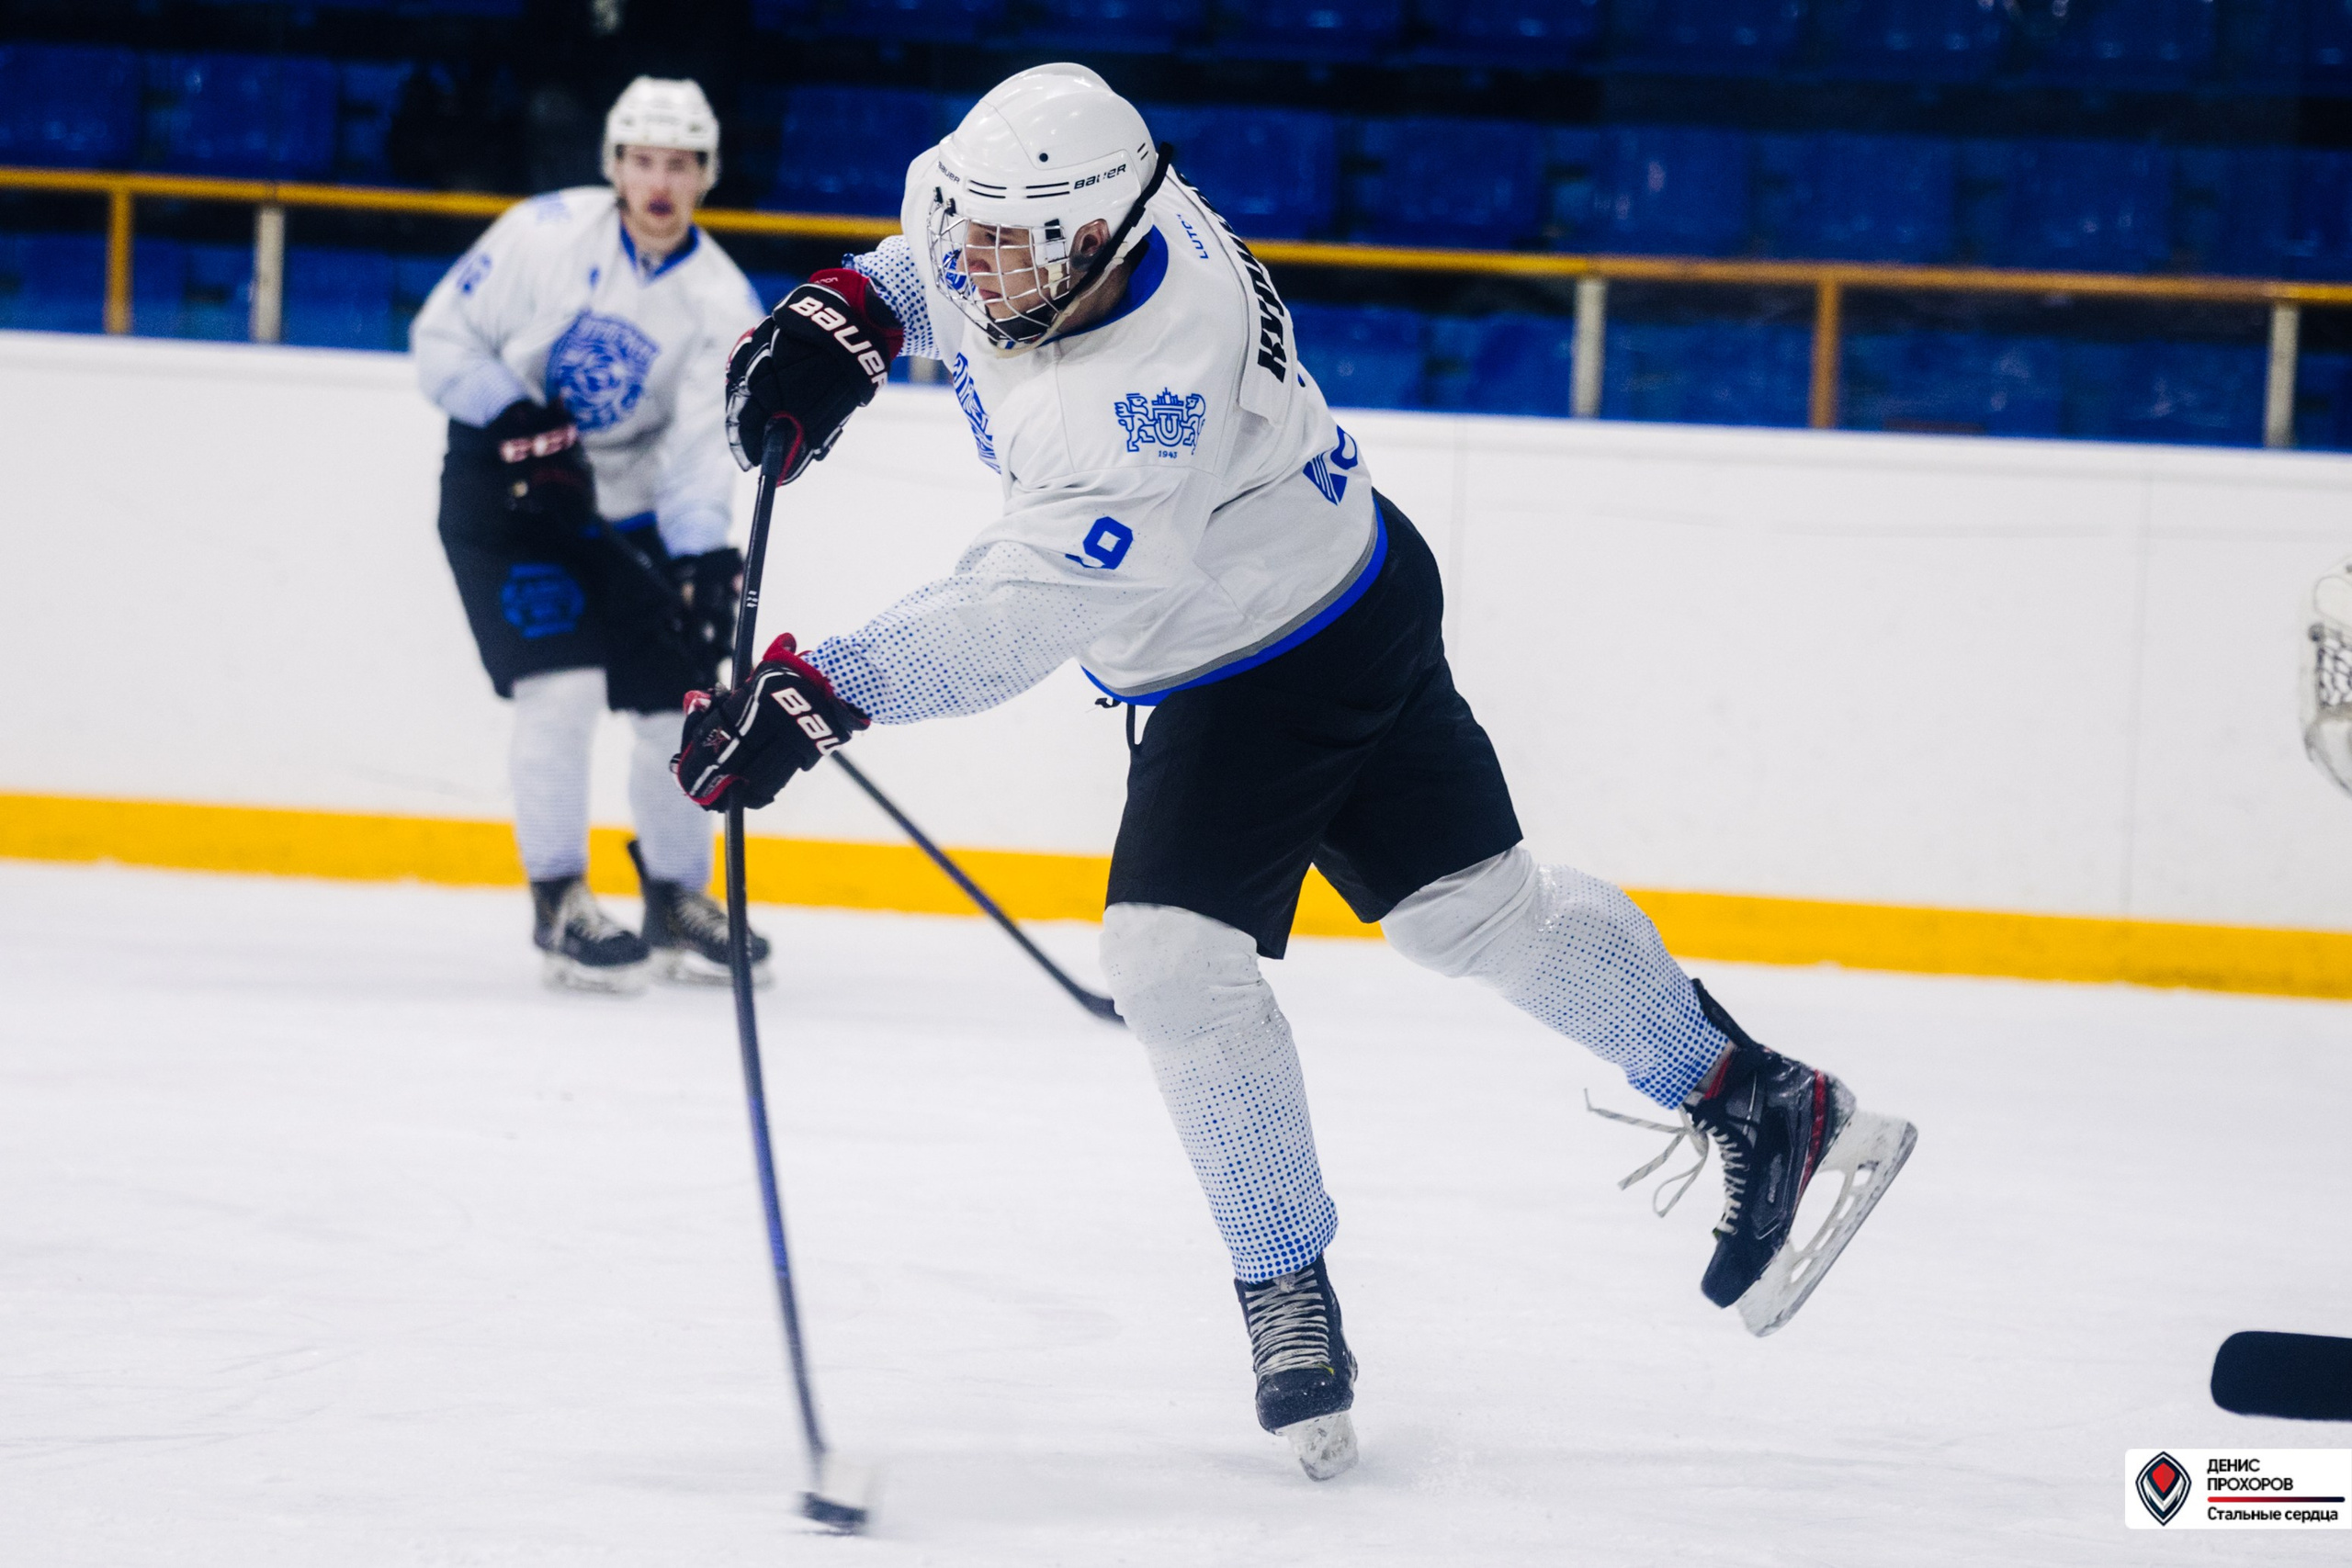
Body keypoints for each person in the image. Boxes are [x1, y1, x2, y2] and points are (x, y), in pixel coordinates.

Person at [676, 65, 1917, 1479]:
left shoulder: (1146, 397)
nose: (974, 264)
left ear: (1101, 240)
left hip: (1257, 652)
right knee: (1478, 915)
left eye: (1007, 248)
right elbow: (919, 266)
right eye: (966, 232)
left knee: (1166, 954)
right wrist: (851, 313)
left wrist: (826, 690)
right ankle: (1755, 1090)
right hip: (1362, 578)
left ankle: (1283, 1285)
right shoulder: (1002, 200)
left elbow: (1031, 604)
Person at [413, 76, 772, 992]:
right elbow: (441, 340)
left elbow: (698, 448)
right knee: (563, 693)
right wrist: (519, 417)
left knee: (674, 705)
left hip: (631, 514)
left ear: (707, 175)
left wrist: (700, 559)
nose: (659, 184)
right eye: (643, 162)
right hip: (508, 502)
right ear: (613, 165)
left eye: (680, 166)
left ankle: (675, 895)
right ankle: (560, 902)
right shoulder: (540, 235)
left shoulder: (721, 300)